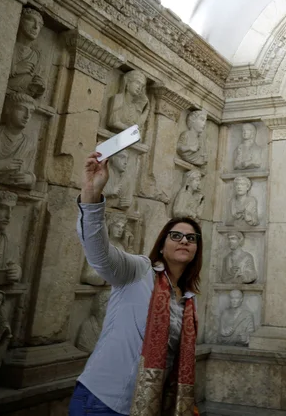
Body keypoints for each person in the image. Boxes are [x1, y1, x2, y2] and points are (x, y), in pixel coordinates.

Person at [69, 151, 202, 416]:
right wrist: (91, 194)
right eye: (176, 236)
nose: (184, 241)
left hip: (147, 407)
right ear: (162, 247)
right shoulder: (140, 271)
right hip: (101, 400)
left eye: (192, 238)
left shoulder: (188, 300)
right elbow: (100, 254)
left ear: (197, 249)